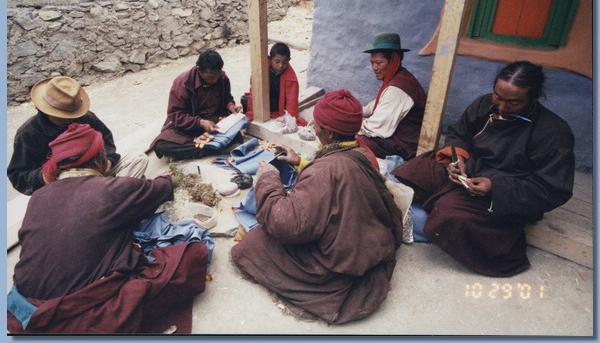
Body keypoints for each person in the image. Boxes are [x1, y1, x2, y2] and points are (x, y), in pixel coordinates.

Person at [7, 123, 209, 334]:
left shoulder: (38, 196)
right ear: (99, 160)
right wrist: (174, 176)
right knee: (191, 255)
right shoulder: (113, 190)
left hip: (21, 311)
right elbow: (165, 186)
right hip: (76, 319)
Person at [231, 89, 403, 324]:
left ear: (329, 133)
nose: (315, 127)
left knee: (252, 245)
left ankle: (326, 290)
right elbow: (334, 181)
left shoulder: (325, 169)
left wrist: (268, 179)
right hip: (367, 247)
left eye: (317, 124)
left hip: (338, 265)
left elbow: (285, 224)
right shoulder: (361, 152)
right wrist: (301, 163)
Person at [392, 61, 575, 277]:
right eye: (498, 96)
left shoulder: (553, 132)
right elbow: (459, 133)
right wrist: (456, 159)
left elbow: (553, 189)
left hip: (506, 192)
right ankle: (434, 204)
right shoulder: (484, 105)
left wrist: (495, 187)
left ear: (533, 98)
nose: (502, 107)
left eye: (514, 103)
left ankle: (433, 212)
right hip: (470, 171)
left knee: (447, 212)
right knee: (414, 169)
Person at [7, 75, 148, 196]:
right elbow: (18, 176)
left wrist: (108, 161)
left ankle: (109, 198)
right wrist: (48, 174)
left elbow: (107, 142)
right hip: (62, 189)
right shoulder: (29, 133)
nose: (69, 119)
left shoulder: (86, 118)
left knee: (137, 158)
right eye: (62, 116)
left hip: (97, 176)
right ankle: (114, 198)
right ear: (46, 111)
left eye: (72, 114)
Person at [150, 50, 243, 160]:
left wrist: (230, 106)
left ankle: (208, 148)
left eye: (216, 76)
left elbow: (227, 97)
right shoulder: (183, 82)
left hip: (215, 126)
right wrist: (200, 122)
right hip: (189, 128)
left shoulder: (222, 78)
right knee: (161, 145)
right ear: (199, 69)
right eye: (209, 77)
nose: (214, 80)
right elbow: (175, 115)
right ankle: (215, 147)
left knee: (237, 131)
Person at [356, 32, 426, 160]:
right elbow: (374, 107)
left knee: (350, 140)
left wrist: (346, 124)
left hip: (404, 145)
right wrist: (348, 111)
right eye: (372, 63)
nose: (374, 68)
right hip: (394, 136)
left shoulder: (398, 88)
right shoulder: (395, 79)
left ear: (394, 60)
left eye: (378, 63)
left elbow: (375, 128)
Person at [243, 42, 307, 126]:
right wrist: (253, 113)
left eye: (284, 63)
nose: (280, 66)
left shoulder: (291, 79)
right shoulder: (262, 70)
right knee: (245, 99)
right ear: (270, 59)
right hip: (263, 104)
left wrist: (290, 121)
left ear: (289, 60)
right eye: (277, 62)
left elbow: (292, 103)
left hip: (278, 108)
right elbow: (254, 92)